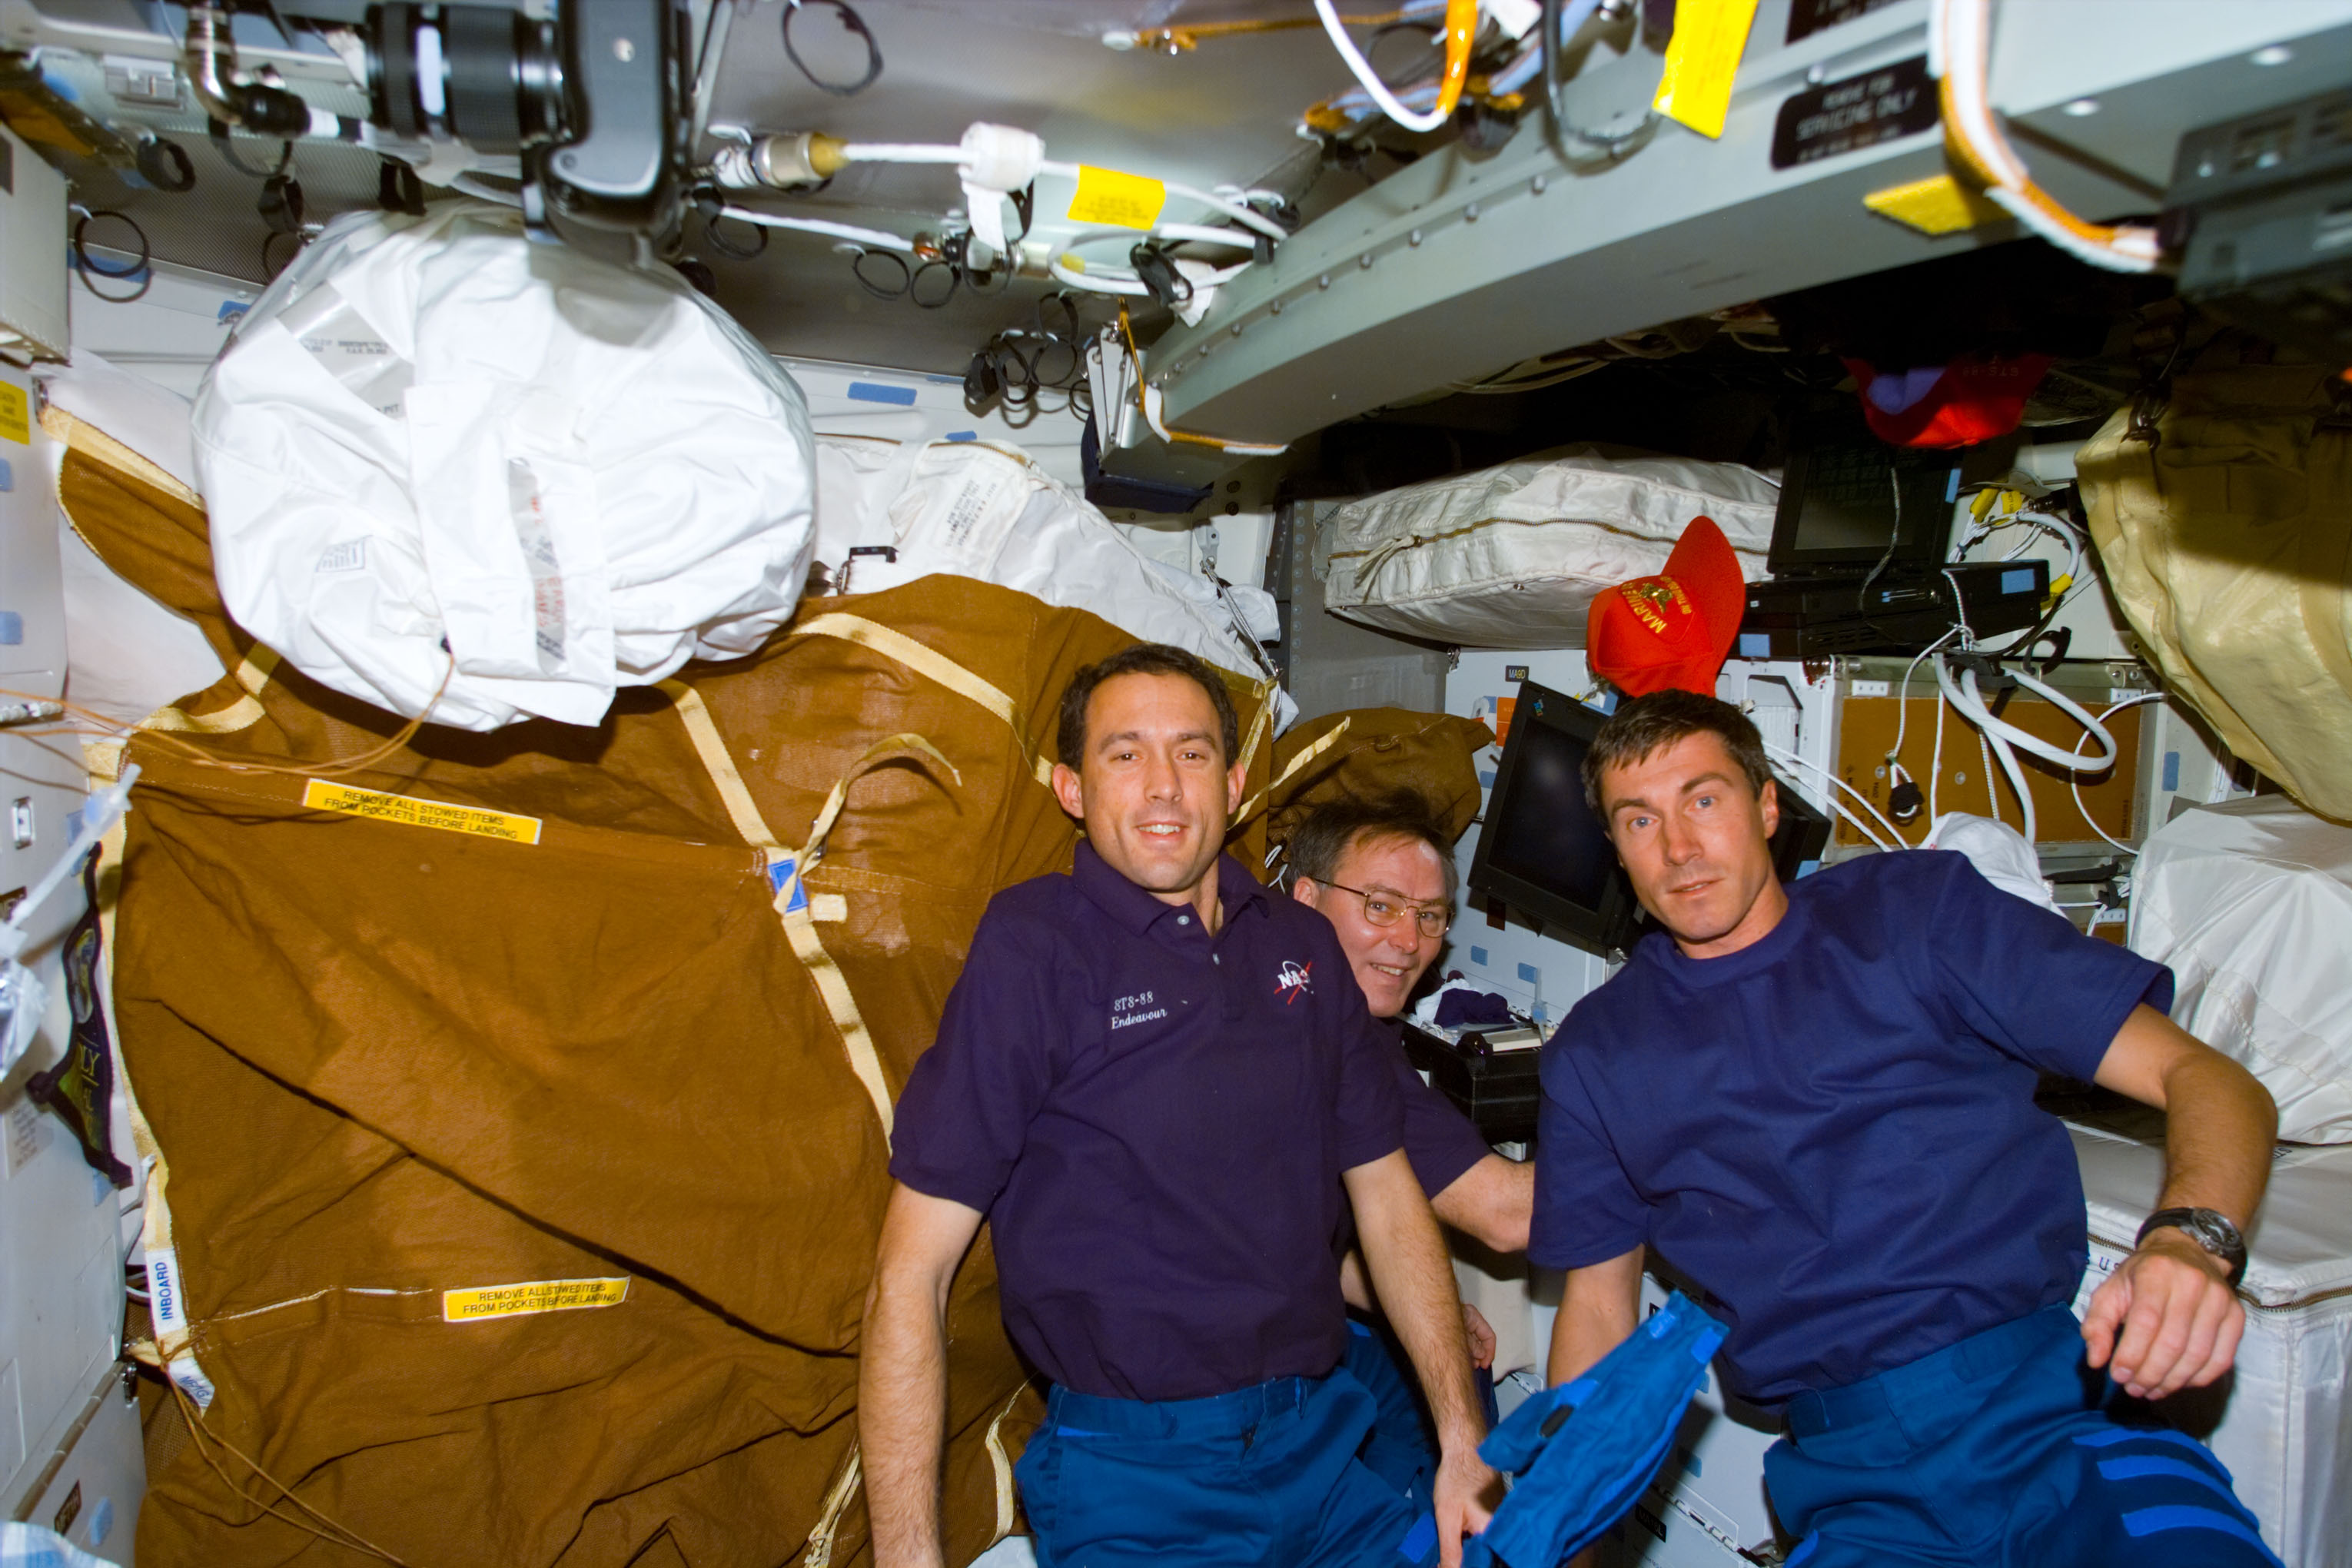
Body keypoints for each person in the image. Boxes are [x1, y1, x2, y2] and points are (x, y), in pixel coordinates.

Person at [1533, 688, 2282, 1567]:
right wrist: (1566, 1534)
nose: (1680, 849)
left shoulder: (1916, 916)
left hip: (2057, 1423)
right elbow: (1596, 1310)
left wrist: (2190, 1243)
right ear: (1618, 851)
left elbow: (2210, 1079)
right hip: (1854, 1485)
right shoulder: (1597, 1052)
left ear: (1767, 806)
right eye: (1639, 820)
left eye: (1705, 799)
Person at [861, 644, 1499, 1568]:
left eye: (1192, 754)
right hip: (1136, 1476)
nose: (1164, 786)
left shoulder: (1304, 947)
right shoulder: (1034, 949)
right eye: (1125, 754)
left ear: (1234, 784)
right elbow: (907, 1275)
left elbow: (1388, 1194)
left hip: (1320, 1445)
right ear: (1070, 788)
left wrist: (1461, 1438)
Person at [1288, 793, 1536, 1504]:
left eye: (1429, 917)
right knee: (1461, 1414)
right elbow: (1506, 1214)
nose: (1408, 941)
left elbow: (1303, 1237)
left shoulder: (1279, 987)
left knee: (1444, 1343)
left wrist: (1429, 1305)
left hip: (1266, 1320)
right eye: (1381, 906)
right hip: (1235, 1384)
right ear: (1306, 899)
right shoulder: (1336, 1040)